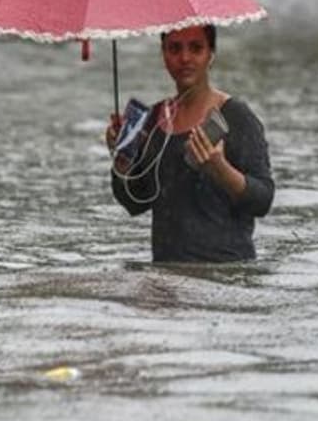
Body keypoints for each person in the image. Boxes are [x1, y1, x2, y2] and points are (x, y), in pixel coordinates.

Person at [104, 25, 275, 263]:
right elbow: (135, 202)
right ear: (163, 54)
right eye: (175, 49)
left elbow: (263, 200)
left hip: (224, 273)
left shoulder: (236, 116)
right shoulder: (153, 119)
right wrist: (123, 162)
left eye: (196, 48)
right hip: (167, 274)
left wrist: (219, 167)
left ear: (211, 54)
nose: (185, 58)